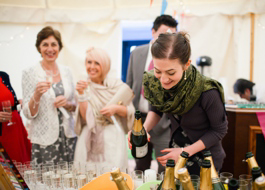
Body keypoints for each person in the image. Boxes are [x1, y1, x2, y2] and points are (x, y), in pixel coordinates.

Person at [128, 32, 228, 175]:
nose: (163, 79)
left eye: (170, 73)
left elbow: (219, 130)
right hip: (176, 150)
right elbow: (156, 110)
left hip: (205, 158)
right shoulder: (154, 82)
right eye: (158, 71)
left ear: (186, 64)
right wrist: (141, 130)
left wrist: (184, 152)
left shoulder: (208, 91)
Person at [126, 14, 177, 173]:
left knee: (166, 168)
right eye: (163, 34)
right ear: (153, 32)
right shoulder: (137, 53)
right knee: (140, 166)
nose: (167, 39)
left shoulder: (173, 58)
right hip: (139, 119)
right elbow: (130, 85)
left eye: (172, 35)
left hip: (164, 121)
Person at [73, 47, 135, 172]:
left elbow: (130, 111)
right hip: (90, 137)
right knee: (88, 176)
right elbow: (86, 118)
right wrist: (81, 94)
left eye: (97, 63)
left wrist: (116, 108)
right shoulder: (83, 86)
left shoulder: (117, 86)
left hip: (113, 138)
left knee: (113, 176)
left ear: (105, 65)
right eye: (89, 62)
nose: (92, 66)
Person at [22, 26, 77, 165]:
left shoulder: (67, 71)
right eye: (45, 44)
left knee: (70, 180)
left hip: (68, 136)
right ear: (39, 48)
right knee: (48, 182)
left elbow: (75, 106)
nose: (50, 49)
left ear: (59, 47)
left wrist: (68, 104)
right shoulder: (30, 73)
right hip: (45, 139)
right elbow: (28, 114)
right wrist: (36, 95)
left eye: (54, 44)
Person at [0, 71, 31, 164]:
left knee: (22, 166)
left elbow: (9, 101)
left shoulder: (3, 76)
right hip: (3, 134)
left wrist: (18, 103)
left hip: (15, 127)